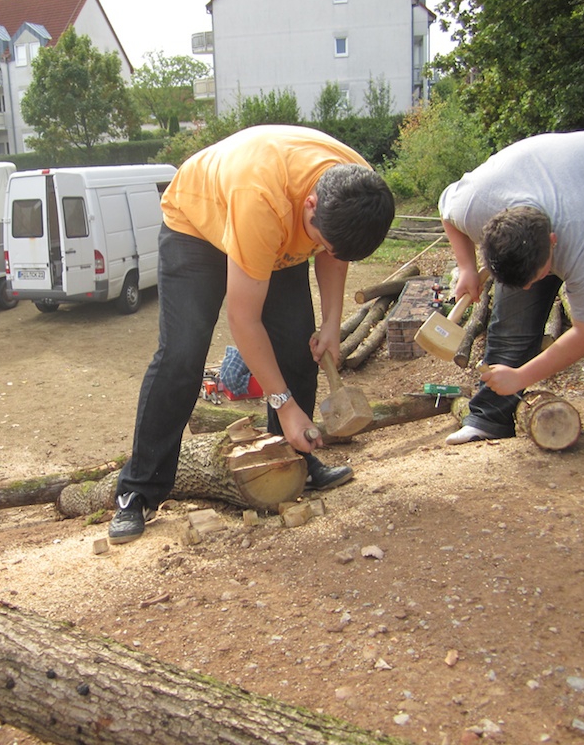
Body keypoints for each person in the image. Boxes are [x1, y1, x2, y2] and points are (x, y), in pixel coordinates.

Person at [109, 124, 396, 544]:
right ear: (311, 204)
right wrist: (284, 404)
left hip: (276, 228)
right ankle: (138, 491)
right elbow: (244, 320)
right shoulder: (262, 199)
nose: (327, 248)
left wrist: (331, 325)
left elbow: (334, 254)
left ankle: (293, 460)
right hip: (198, 226)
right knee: (182, 355)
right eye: (322, 239)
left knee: (297, 346)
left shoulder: (358, 188)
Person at [438, 130, 584, 452]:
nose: (527, 287)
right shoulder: (474, 205)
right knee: (512, 323)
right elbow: (446, 209)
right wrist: (467, 267)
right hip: (559, 179)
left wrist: (521, 377)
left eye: (535, 277)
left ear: (553, 243)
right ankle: (489, 417)